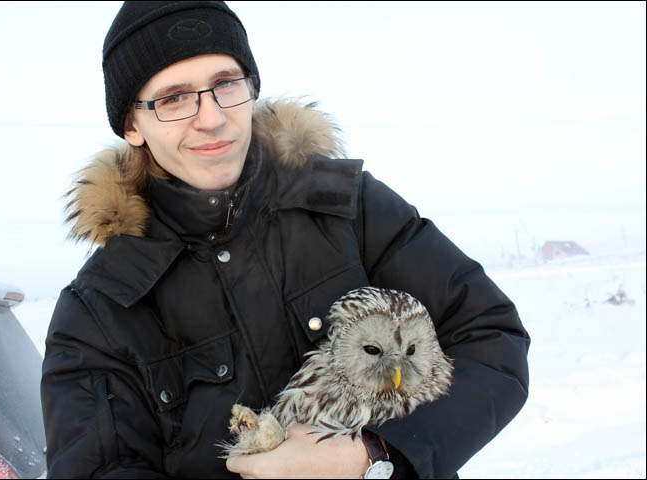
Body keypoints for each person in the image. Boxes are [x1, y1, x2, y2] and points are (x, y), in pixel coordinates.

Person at [40, 1, 531, 478]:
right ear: (132, 125)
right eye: (173, 99)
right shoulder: (100, 310)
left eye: (226, 84)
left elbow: (491, 338)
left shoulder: (349, 207)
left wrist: (374, 457)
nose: (211, 118)